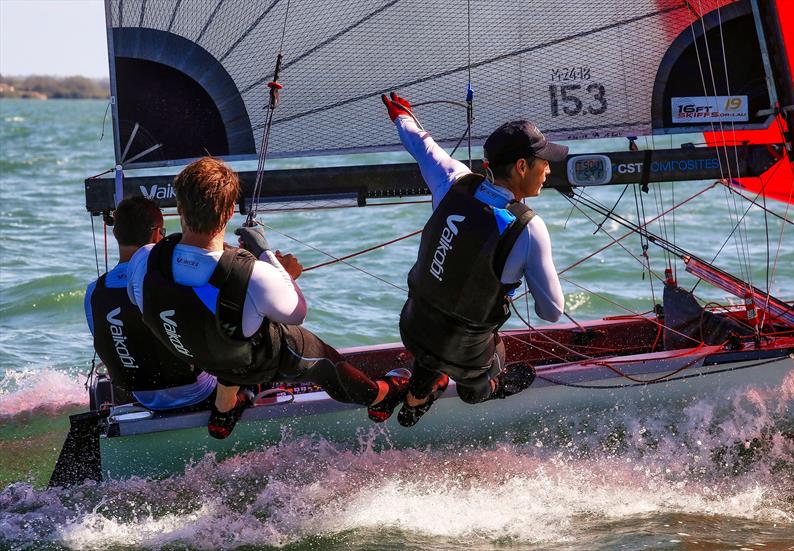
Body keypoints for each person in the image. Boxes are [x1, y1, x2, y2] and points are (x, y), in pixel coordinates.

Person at [126, 157, 408, 439]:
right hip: (248, 364)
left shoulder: (146, 260)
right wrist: (269, 258)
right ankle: (380, 397)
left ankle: (225, 408)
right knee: (318, 356)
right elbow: (297, 312)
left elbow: (188, 281)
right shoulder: (255, 276)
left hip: (196, 354)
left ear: (179, 209)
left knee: (226, 319)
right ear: (228, 214)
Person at [376, 92, 566, 427]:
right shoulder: (528, 227)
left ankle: (419, 392)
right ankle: (485, 387)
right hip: (466, 359)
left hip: (412, 327)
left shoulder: (453, 180)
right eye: (543, 162)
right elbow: (551, 312)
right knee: (474, 379)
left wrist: (402, 115)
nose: (549, 170)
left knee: (444, 309)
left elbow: (421, 144)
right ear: (522, 166)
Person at [85, 196, 217, 411]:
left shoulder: (94, 291)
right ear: (156, 233)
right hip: (195, 391)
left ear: (117, 234)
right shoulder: (172, 276)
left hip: (141, 394)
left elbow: (106, 341)